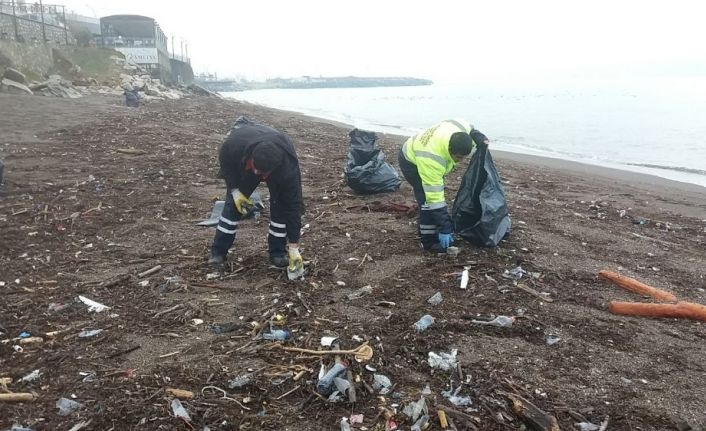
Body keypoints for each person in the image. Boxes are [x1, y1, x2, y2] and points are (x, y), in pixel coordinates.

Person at [209, 117, 304, 275]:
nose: (256, 175)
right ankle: (218, 251)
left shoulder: (287, 170)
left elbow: (293, 206)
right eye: (256, 169)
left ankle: (278, 252)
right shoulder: (234, 144)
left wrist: (294, 247)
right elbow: (227, 165)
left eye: (261, 174)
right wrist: (235, 190)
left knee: (280, 206)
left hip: (276, 163)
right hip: (246, 156)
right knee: (233, 206)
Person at [398, 119, 489, 251]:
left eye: (464, 157)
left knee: (434, 200)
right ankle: (428, 241)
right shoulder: (432, 159)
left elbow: (469, 128)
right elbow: (434, 199)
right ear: (450, 149)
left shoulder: (458, 130)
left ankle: (438, 226)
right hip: (411, 161)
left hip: (424, 149)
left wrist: (479, 137)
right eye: (458, 157)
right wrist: (445, 229)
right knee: (426, 201)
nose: (460, 161)